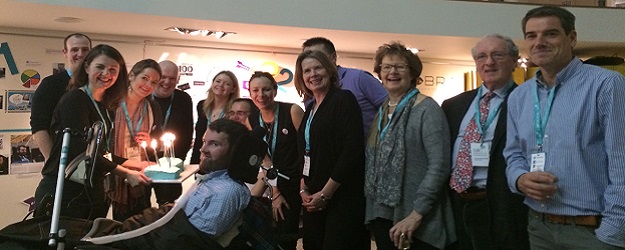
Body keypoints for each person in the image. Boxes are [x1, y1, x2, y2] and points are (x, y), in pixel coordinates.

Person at [505, 6, 625, 249]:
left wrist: (612, 232)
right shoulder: (520, 95)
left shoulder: (607, 85)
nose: (539, 42)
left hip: (591, 231)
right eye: (531, 36)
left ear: (571, 38)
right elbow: (513, 154)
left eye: (550, 34)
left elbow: (621, 161)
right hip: (539, 227)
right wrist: (519, 179)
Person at [34, 44, 150, 220]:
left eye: (113, 69)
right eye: (100, 67)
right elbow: (81, 152)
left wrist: (133, 164)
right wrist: (125, 173)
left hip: (92, 191)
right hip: (65, 192)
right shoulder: (75, 100)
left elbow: (100, 152)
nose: (106, 74)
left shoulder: (104, 104)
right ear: (87, 67)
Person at [97, 119, 252, 249]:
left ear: (235, 152)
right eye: (205, 142)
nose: (203, 148)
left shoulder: (228, 191)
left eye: (214, 144)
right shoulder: (213, 179)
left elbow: (191, 240)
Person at [365, 42, 455, 250]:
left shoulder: (427, 110)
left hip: (417, 217)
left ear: (412, 72)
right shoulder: (382, 111)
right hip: (382, 213)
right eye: (386, 67)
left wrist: (417, 212)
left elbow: (439, 166)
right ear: (379, 73)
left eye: (400, 67)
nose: (392, 72)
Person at [442, 34, 528, 250]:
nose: (489, 62)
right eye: (482, 56)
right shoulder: (453, 105)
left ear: (514, 61)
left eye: (497, 55)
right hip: (457, 202)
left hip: (501, 205)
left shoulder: (525, 101)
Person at [294, 50, 369, 249]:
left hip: (340, 195)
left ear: (329, 70)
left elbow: (351, 151)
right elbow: (304, 153)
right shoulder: (310, 108)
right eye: (307, 70)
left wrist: (326, 194)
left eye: (318, 67)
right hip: (313, 195)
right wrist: (304, 188)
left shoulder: (344, 99)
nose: (313, 74)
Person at [246, 71, 304, 250]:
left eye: (266, 89)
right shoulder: (252, 119)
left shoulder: (292, 111)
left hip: (297, 182)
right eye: (255, 90)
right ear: (249, 93)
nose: (260, 95)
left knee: (287, 237)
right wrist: (275, 190)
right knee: (266, 233)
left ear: (275, 90)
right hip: (272, 181)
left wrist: (303, 186)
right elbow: (266, 159)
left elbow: (307, 151)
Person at [107, 59, 163, 221]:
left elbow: (158, 140)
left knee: (138, 223)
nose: (148, 85)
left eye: (154, 82)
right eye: (144, 78)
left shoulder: (152, 107)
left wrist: (151, 138)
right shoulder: (111, 103)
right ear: (131, 76)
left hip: (140, 174)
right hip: (111, 173)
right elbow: (102, 148)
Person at [302, 37, 388, 137]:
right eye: (307, 57)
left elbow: (392, 111)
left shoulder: (359, 78)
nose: (312, 60)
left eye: (319, 57)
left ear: (333, 57)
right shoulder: (311, 92)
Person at [30, 33, 91, 161]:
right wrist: (53, 162)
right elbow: (39, 126)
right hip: (62, 163)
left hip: (92, 162)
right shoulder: (50, 84)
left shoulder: (95, 84)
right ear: (65, 52)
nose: (80, 54)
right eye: (74, 50)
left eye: (85, 49)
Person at [151, 60, 194, 206]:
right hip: (144, 161)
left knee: (168, 206)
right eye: (163, 77)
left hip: (171, 163)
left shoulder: (183, 99)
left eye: (172, 78)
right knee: (139, 205)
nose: (167, 82)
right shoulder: (144, 96)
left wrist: (176, 161)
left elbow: (187, 132)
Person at [190, 71, 240, 164]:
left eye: (227, 84)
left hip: (222, 161)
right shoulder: (202, 105)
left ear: (233, 89)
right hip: (199, 157)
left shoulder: (234, 111)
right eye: (218, 81)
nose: (221, 85)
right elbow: (198, 137)